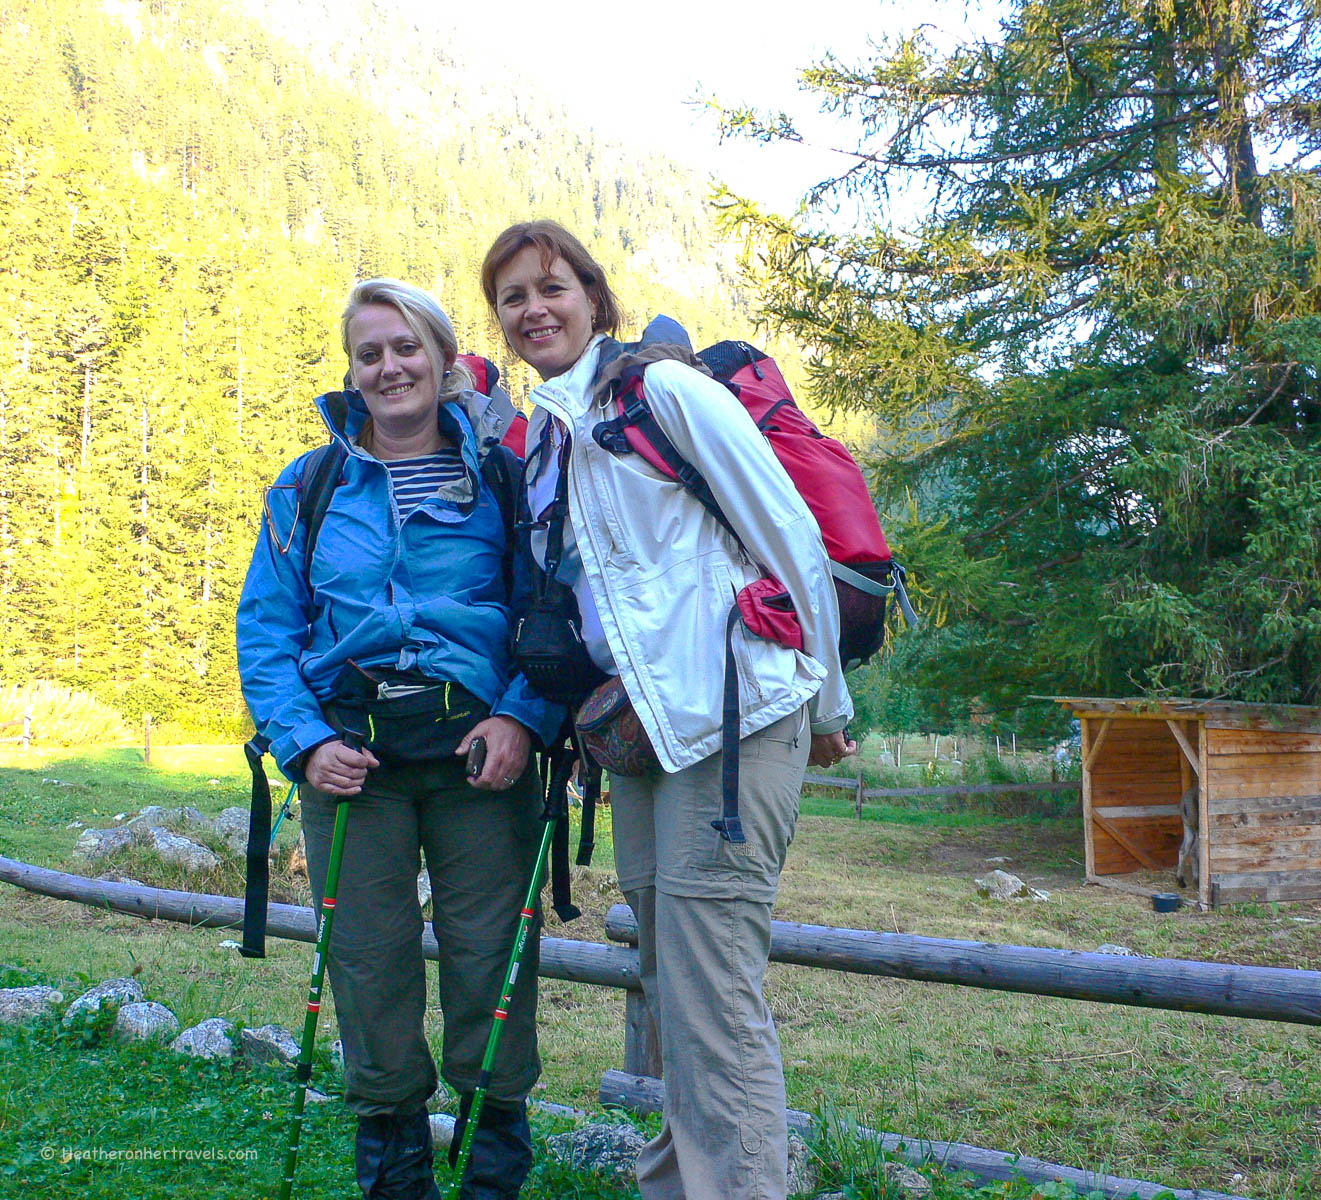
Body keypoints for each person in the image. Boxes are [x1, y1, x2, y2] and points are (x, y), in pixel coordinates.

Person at [480, 220, 857, 1200]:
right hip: (646, 740)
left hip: (734, 726)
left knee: (714, 1003)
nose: (533, 309)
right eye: (513, 297)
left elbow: (789, 538)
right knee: (671, 993)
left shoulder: (665, 394)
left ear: (593, 299)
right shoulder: (554, 440)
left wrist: (824, 710)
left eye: (551, 287)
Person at [237, 278, 560, 1200]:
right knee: (369, 963)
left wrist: (523, 715)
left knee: (491, 961)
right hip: (353, 762)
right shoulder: (308, 485)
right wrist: (300, 742)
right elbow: (267, 628)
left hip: (480, 757)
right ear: (352, 369)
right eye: (370, 352)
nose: (390, 367)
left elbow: (549, 605)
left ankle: (493, 1169)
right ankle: (395, 1174)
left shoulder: (503, 473)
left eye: (407, 347)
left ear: (446, 359)